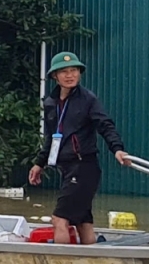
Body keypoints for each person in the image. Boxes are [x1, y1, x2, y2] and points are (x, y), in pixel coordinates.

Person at [28, 52, 131, 245]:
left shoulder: (88, 100)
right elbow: (52, 138)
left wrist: (117, 148)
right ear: (54, 76)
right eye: (64, 71)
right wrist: (39, 163)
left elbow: (105, 125)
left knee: (59, 219)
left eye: (74, 70)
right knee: (83, 222)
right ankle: (90, 262)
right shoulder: (51, 103)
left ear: (79, 73)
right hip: (66, 168)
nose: (70, 75)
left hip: (84, 167)